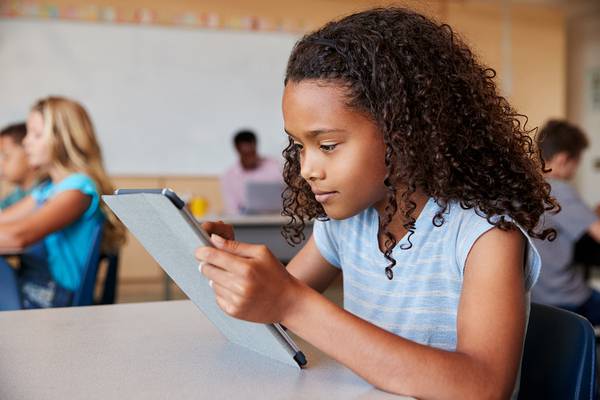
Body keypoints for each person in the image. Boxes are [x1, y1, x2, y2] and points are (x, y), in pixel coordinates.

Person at [196, 8, 557, 399]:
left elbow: (482, 386)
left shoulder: (484, 234)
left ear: (403, 131)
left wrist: (292, 303)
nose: (307, 169)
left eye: (328, 145)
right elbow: (269, 309)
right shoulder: (344, 225)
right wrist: (234, 271)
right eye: (299, 146)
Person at [0, 96, 125, 310]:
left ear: (62, 140)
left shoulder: (79, 190)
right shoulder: (46, 189)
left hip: (51, 298)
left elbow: (17, 237)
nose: (26, 141)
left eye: (37, 135)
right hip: (29, 286)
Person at [531, 119, 600, 324]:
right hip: (564, 299)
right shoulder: (559, 190)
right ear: (562, 160)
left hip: (536, 297)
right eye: (576, 164)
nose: (575, 171)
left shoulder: (528, 186)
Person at [220, 129, 281, 214]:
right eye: (245, 154)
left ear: (256, 146)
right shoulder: (229, 176)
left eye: (252, 152)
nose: (250, 157)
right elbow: (232, 210)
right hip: (247, 223)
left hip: (276, 218)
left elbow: (285, 195)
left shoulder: (274, 165)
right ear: (237, 149)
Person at [0, 122, 39, 209]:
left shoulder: (46, 192)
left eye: (6, 156)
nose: (1, 164)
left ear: (29, 153)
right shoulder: (14, 197)